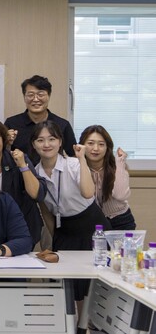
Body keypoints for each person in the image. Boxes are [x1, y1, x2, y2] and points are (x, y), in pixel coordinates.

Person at [32, 120, 110, 305]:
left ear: (60, 142)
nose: (46, 144)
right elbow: (45, 210)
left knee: (91, 289)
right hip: (64, 230)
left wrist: (82, 159)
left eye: (52, 139)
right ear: (33, 144)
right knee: (65, 287)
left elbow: (88, 193)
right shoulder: (36, 173)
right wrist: (55, 237)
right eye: (40, 140)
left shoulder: (73, 164)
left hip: (91, 227)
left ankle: (86, 323)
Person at [0, 118, 47, 246]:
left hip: (22, 231)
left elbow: (37, 194)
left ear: (3, 140)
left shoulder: (17, 160)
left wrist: (23, 166)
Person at [5, 75, 77, 164]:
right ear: (24, 97)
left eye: (40, 95)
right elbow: (3, 156)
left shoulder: (62, 125)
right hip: (19, 172)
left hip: (52, 172)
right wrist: (8, 143)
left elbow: (74, 155)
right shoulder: (11, 123)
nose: (35, 99)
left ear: (49, 96)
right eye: (30, 95)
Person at [79, 125, 135, 230]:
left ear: (107, 147)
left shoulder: (117, 166)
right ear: (82, 145)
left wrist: (120, 162)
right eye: (90, 143)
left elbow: (120, 195)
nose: (95, 149)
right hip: (89, 220)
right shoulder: (75, 166)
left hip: (120, 220)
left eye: (101, 144)